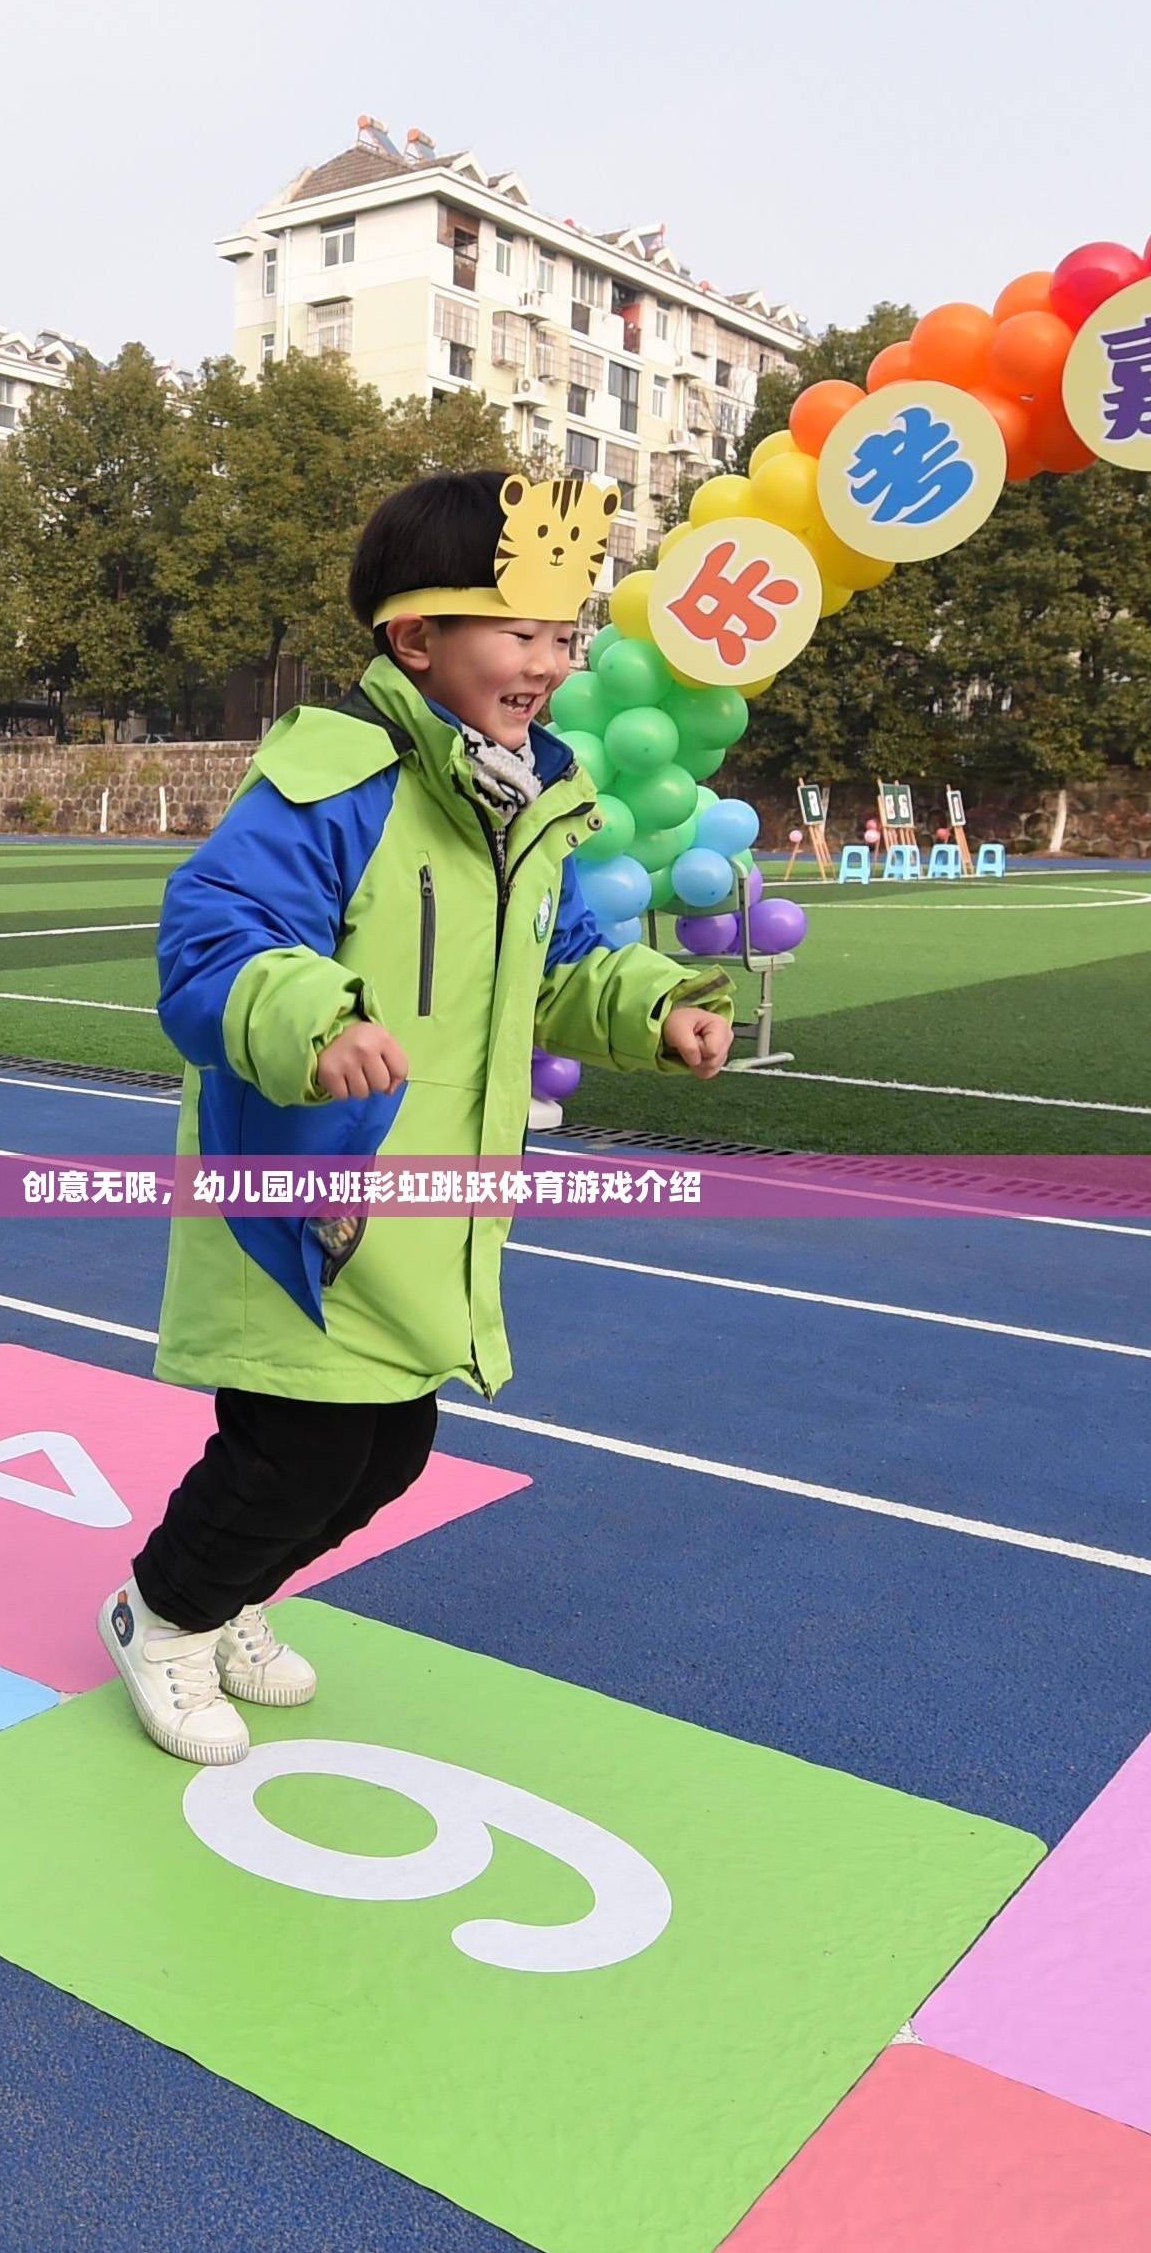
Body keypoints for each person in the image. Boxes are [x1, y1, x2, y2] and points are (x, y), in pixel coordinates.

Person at [98, 470, 734, 1764]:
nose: (549, 665)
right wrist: (313, 1019)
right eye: (520, 633)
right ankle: (159, 1617)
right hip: (313, 1193)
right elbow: (213, 934)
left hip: (438, 1200)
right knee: (294, 1451)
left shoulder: (535, 801)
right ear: (414, 637)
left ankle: (229, 1602)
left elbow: (563, 964)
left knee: (387, 1454)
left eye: (566, 638)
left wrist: (654, 1005)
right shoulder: (338, 778)